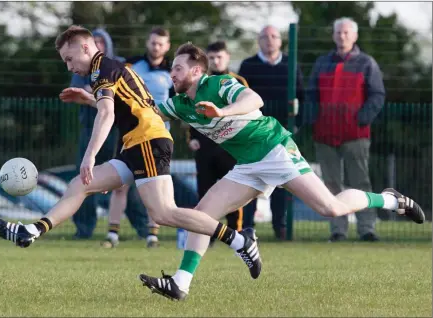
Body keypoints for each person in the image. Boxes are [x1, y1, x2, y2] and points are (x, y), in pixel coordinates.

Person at [53, 42, 425, 302]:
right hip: (247, 165)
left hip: (274, 150)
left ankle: (390, 199)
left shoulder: (218, 83)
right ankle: (181, 283)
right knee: (200, 216)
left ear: (197, 70)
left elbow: (255, 100)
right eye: (171, 69)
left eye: (177, 68)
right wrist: (90, 98)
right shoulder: (180, 103)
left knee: (330, 208)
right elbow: (137, 109)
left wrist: (223, 112)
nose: (172, 73)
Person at [0, 26, 263, 286]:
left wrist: (90, 156)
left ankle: (240, 241)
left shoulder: (101, 68)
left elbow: (107, 113)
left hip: (147, 141)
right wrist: (89, 98)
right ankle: (32, 231)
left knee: (163, 213)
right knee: (80, 184)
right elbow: (129, 103)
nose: (69, 66)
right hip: (136, 145)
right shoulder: (107, 68)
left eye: (69, 58)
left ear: (86, 48)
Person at [303, 17, 385, 242]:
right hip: (325, 134)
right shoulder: (321, 63)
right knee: (330, 184)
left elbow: (377, 95)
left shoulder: (367, 63)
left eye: (347, 32)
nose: (342, 36)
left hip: (355, 135)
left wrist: (361, 119)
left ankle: (367, 229)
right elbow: (311, 94)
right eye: (339, 32)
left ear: (355, 36)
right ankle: (338, 231)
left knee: (361, 182)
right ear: (333, 35)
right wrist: (314, 119)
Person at [70, 28, 148, 240]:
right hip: (91, 129)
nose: (98, 45)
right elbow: (88, 90)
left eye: (100, 42)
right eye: (94, 41)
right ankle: (83, 229)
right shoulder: (81, 67)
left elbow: (107, 102)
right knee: (84, 178)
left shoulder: (114, 65)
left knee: (125, 183)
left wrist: (93, 94)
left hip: (119, 132)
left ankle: (143, 228)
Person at [101, 27, 174, 249]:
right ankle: (112, 234)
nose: (156, 47)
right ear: (147, 43)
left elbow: (178, 104)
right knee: (119, 185)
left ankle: (153, 235)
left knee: (156, 186)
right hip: (128, 133)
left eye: (161, 43)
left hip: (157, 135)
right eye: (153, 42)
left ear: (167, 46)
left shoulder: (172, 71)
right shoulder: (132, 65)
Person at [238, 25, 305, 240]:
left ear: (280, 41)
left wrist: (297, 126)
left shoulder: (290, 65)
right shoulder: (248, 66)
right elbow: (239, 96)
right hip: (253, 133)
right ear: (258, 40)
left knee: (283, 180)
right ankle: (247, 227)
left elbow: (302, 97)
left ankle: (280, 227)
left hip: (282, 133)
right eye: (264, 36)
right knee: (250, 178)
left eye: (274, 36)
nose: (269, 40)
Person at [187, 40, 250, 245]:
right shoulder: (200, 82)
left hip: (230, 147)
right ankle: (207, 233)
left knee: (233, 190)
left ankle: (236, 232)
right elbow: (190, 111)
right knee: (205, 192)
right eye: (211, 57)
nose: (215, 60)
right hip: (205, 145)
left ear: (227, 57)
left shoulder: (238, 81)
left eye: (219, 57)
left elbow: (248, 111)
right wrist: (192, 138)